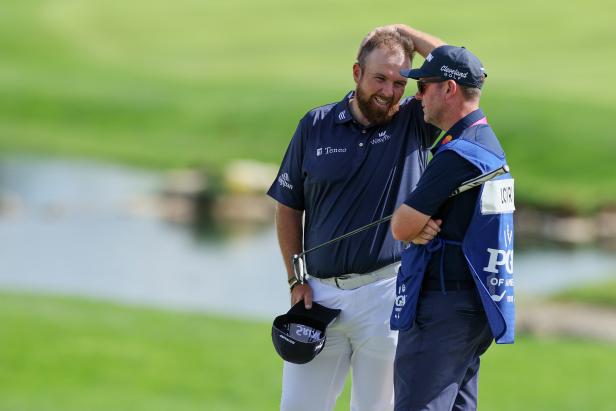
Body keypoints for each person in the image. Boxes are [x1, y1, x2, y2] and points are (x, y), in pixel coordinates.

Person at [267, 25, 444, 411]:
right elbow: (287, 204)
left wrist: (405, 32)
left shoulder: (415, 120)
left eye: (400, 82)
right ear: (356, 73)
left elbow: (462, 72)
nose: (389, 91)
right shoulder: (315, 125)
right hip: (318, 298)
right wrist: (295, 279)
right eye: (380, 78)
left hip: (388, 295)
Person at [389, 45, 515, 411]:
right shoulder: (486, 141)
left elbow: (400, 225)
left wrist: (414, 224)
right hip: (473, 307)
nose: (417, 96)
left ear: (449, 89)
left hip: (443, 309)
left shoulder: (457, 154)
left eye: (423, 86)